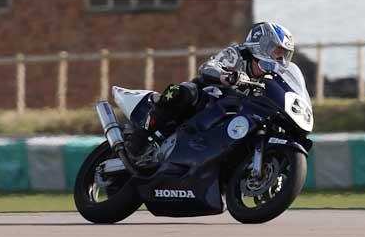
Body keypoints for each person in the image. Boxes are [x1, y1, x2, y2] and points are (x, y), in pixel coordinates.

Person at [125, 22, 299, 165]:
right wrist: (225, 75)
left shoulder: (271, 77)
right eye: (277, 51)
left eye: (284, 54)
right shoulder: (238, 54)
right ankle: (142, 136)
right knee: (182, 92)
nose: (281, 59)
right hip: (209, 97)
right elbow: (208, 67)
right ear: (263, 45)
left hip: (234, 114)